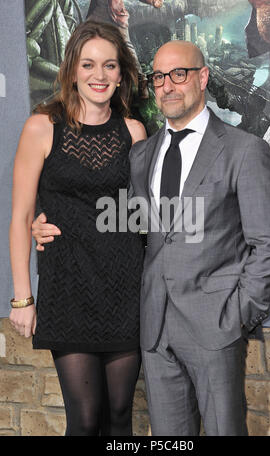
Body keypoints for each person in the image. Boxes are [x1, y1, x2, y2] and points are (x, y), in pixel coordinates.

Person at [32, 40, 270, 436]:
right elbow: (116, 218)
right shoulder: (142, 154)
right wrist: (43, 223)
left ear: (202, 78)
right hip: (152, 330)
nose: (167, 85)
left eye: (179, 74)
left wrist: (238, 315)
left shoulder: (244, 150)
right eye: (159, 77)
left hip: (216, 327)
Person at [9, 20, 146, 436]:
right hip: (68, 290)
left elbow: (139, 214)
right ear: (71, 70)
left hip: (126, 290)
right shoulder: (41, 127)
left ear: (121, 73)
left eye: (109, 66)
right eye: (88, 64)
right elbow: (19, 216)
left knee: (121, 414)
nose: (99, 76)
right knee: (85, 419)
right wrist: (22, 299)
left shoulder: (135, 132)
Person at [87, 0, 164, 98]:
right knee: (84, 40)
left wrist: (152, 1)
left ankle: (141, 80)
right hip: (97, 15)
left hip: (113, 15)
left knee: (126, 47)